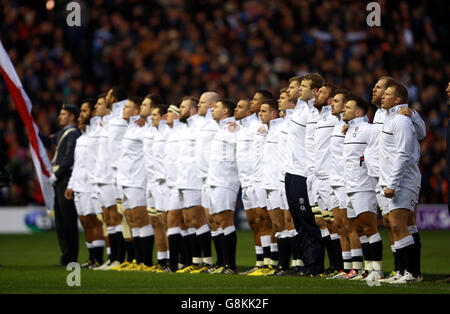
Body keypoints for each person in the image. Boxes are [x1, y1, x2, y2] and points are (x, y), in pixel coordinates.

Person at [378, 82, 422, 284]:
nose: (382, 96)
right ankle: (402, 272)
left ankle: (410, 273)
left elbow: (403, 154)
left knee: (398, 223)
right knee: (394, 225)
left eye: (387, 94)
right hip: (391, 180)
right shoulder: (389, 119)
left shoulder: (401, 120)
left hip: (403, 180)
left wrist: (392, 184)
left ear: (397, 100)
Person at [284, 73, 325, 276]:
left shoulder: (314, 113)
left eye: (302, 86)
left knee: (309, 222)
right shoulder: (300, 111)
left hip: (303, 173)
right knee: (298, 222)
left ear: (314, 90)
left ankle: (315, 265)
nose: (298, 90)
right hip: (291, 172)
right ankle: (303, 263)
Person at [341, 95, 384, 281]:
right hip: (350, 185)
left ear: (359, 112)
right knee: (358, 228)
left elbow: (377, 151)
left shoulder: (369, 129)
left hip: (364, 185)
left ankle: (378, 269)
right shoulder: (350, 130)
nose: (344, 109)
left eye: (348, 107)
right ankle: (368, 269)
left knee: (370, 227)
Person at [325, 90, 363, 279]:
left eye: (338, 102)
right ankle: (346, 268)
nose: (332, 103)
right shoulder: (336, 125)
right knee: (339, 226)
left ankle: (358, 268)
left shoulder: (352, 128)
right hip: (333, 181)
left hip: (345, 182)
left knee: (350, 227)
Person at [65, 99, 105, 268]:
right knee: (84, 222)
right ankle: (91, 258)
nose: (80, 116)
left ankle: (98, 258)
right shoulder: (81, 139)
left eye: (84, 112)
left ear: (93, 114)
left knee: (93, 221)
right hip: (79, 185)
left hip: (90, 185)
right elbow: (77, 165)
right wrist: (71, 184)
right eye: (80, 112)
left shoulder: (96, 135)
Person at [175, 96, 213, 273]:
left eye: (182, 107)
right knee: (188, 221)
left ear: (191, 111)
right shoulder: (184, 128)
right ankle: (194, 261)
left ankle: (207, 261)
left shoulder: (200, 126)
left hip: (194, 180)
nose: (179, 110)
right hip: (182, 179)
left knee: (198, 220)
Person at [116, 97, 154, 271]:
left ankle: (146, 262)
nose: (122, 109)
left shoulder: (146, 128)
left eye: (127, 107)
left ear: (137, 110)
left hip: (138, 180)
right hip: (125, 179)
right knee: (131, 220)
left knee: (141, 219)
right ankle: (138, 261)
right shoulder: (132, 126)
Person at [310, 83, 343, 276]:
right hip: (316, 176)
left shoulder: (335, 120)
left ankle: (342, 265)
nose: (317, 94)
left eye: (321, 92)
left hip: (329, 178)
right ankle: (333, 265)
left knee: (335, 223)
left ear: (330, 100)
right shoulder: (319, 117)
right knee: (322, 222)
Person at [259, 99, 292, 275]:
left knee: (289, 223)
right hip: (268, 182)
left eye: (263, 111)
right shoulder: (267, 129)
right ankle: (282, 264)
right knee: (278, 224)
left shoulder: (282, 127)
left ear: (273, 113)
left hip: (281, 181)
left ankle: (297, 262)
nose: (260, 113)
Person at [207, 99, 240, 274]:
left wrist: (237, 128)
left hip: (226, 180)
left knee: (225, 221)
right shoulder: (220, 129)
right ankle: (221, 263)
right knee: (216, 221)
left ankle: (230, 265)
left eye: (216, 106)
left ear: (226, 110)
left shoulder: (233, 128)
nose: (213, 109)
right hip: (214, 180)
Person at [233, 98, 265, 275]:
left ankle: (270, 262)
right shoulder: (240, 128)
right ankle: (260, 262)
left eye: (239, 107)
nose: (235, 109)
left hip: (256, 180)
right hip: (245, 182)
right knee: (253, 222)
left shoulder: (256, 127)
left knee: (263, 221)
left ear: (248, 112)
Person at [191, 91, 221, 274]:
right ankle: (211, 262)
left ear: (212, 106)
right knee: (210, 220)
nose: (199, 105)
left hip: (215, 178)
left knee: (217, 220)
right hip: (202, 179)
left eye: (202, 102)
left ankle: (223, 263)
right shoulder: (201, 124)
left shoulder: (219, 124)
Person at [50, 103, 81, 266]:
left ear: (72, 117)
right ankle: (66, 256)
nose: (59, 116)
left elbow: (69, 159)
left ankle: (70, 257)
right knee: (61, 222)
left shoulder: (73, 134)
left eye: (63, 114)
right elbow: (48, 141)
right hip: (59, 180)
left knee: (68, 221)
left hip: (66, 180)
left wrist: (56, 175)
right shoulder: (63, 133)